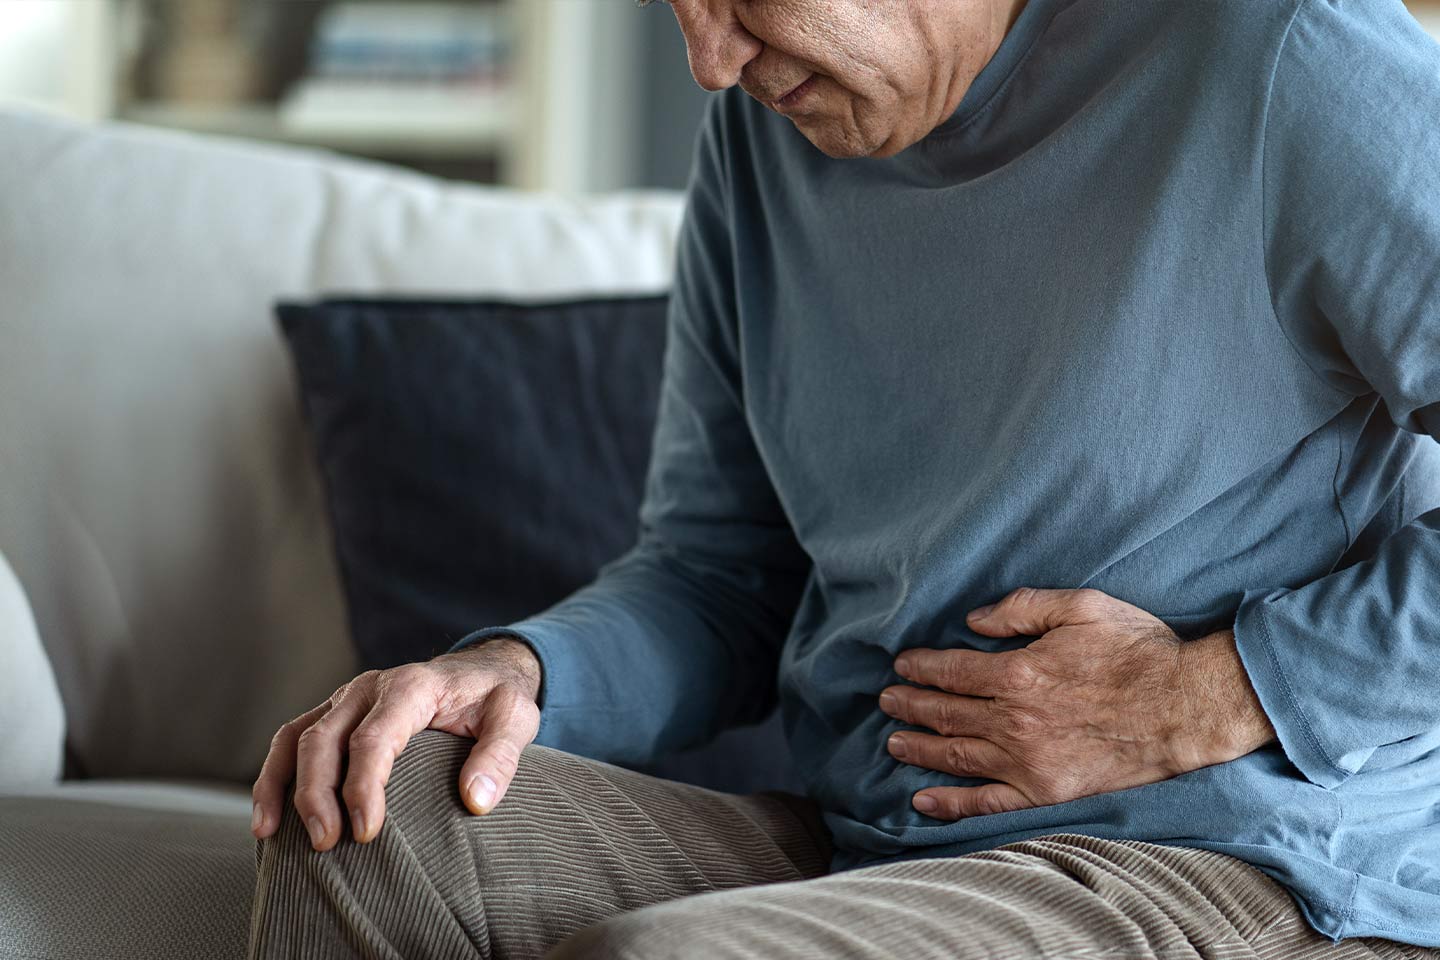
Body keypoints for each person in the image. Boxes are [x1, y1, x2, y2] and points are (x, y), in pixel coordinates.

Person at [247, 0, 1440, 957]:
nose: (710, 61)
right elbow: (719, 575)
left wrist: (1218, 690)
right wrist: (516, 672)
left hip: (1227, 865)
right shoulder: (767, 134)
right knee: (361, 809)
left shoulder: (1286, 56)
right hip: (869, 848)